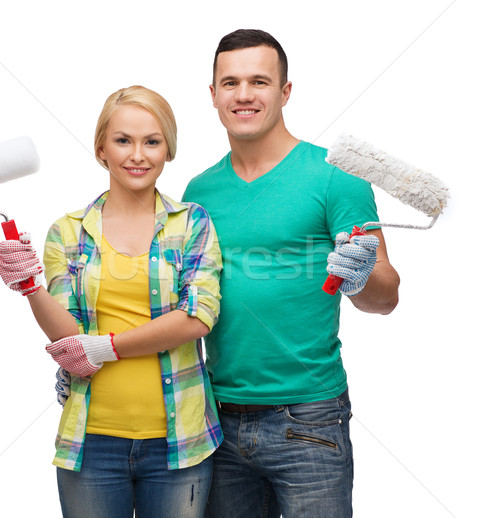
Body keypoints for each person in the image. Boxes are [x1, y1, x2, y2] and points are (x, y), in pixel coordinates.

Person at [182, 29, 400, 518]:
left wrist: (360, 274)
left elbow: (385, 298)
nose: (243, 95)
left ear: (285, 92)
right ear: (213, 95)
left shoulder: (335, 177)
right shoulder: (199, 190)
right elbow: (182, 298)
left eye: (259, 81)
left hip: (309, 420)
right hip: (215, 416)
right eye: (230, 82)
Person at [0, 85, 224, 518]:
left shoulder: (192, 222)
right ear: (101, 148)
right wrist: (29, 286)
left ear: (167, 150)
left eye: (151, 141)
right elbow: (69, 339)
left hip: (180, 444)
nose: (137, 154)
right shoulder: (68, 232)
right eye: (123, 140)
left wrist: (105, 347)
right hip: (91, 442)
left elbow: (198, 316)